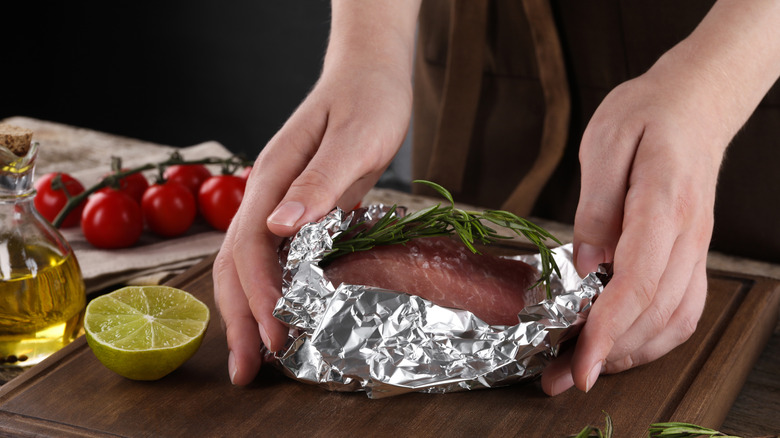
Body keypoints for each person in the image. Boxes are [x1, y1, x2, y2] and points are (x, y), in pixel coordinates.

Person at [213, 0, 780, 396]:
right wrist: (367, 52)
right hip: (493, 54)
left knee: (671, 278)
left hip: (734, 51)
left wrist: (710, 91)